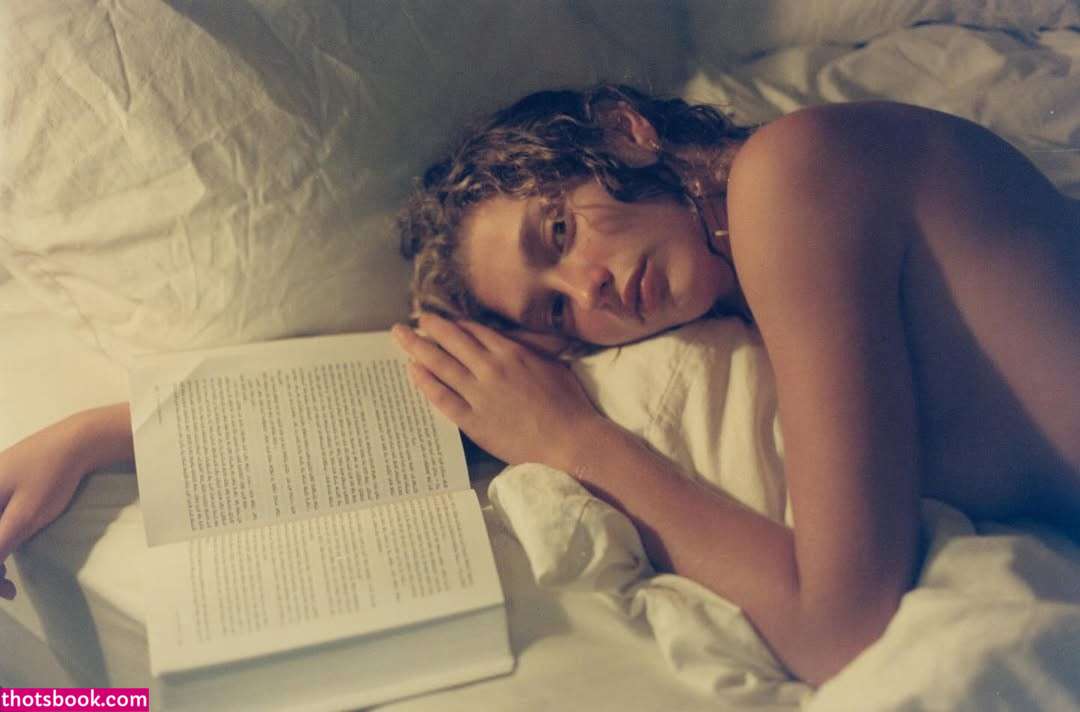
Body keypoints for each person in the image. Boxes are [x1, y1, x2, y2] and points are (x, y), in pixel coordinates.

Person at [1, 85, 1077, 686]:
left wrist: (582, 448)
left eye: (557, 230)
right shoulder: (743, 271)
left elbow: (838, 625)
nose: (592, 286)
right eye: (557, 311)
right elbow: (441, 385)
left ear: (624, 133)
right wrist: (97, 436)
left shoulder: (789, 177)